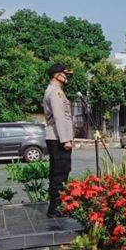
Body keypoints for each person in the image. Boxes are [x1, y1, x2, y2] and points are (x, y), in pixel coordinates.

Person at [44, 63, 75, 217]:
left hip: (56, 137)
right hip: (58, 138)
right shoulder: (55, 92)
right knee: (60, 172)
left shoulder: (56, 91)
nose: (67, 76)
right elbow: (59, 117)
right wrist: (65, 140)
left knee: (60, 171)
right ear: (56, 75)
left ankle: (56, 206)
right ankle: (55, 208)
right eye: (65, 73)